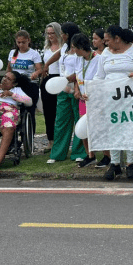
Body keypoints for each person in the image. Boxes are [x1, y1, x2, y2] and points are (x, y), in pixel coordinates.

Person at [95, 25, 133, 180]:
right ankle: (114, 164)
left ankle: (130, 163)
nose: (105, 44)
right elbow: (99, 76)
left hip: (131, 97)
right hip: (111, 98)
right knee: (114, 128)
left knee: (130, 128)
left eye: (107, 40)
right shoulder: (106, 53)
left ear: (117, 39)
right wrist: (92, 91)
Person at [46, 22, 87, 164]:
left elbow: (82, 68)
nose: (61, 35)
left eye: (62, 33)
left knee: (79, 121)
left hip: (78, 89)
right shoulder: (64, 47)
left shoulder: (80, 48)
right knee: (61, 122)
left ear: (68, 34)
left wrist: (74, 83)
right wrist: (46, 65)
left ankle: (79, 152)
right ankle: (58, 154)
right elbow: (58, 55)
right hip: (63, 89)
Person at [70, 33, 103, 168]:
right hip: (83, 100)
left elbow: (101, 79)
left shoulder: (98, 59)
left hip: (95, 99)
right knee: (83, 127)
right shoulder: (78, 59)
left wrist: (90, 92)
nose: (73, 50)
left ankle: (107, 155)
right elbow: (78, 77)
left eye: (74, 47)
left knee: (99, 127)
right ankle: (90, 155)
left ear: (80, 46)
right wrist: (77, 90)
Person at [7, 30, 42, 136]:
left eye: (23, 42)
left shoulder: (34, 54)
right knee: (11, 110)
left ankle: (29, 138)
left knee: (30, 110)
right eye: (18, 42)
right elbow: (9, 68)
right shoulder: (13, 53)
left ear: (28, 41)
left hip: (30, 84)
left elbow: (40, 69)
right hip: (15, 84)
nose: (21, 45)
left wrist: (36, 73)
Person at [34, 22, 63, 152]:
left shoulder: (64, 47)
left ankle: (61, 140)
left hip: (60, 79)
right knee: (48, 111)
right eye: (48, 33)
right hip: (47, 79)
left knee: (61, 111)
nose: (50, 36)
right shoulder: (46, 48)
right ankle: (50, 140)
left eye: (52, 33)